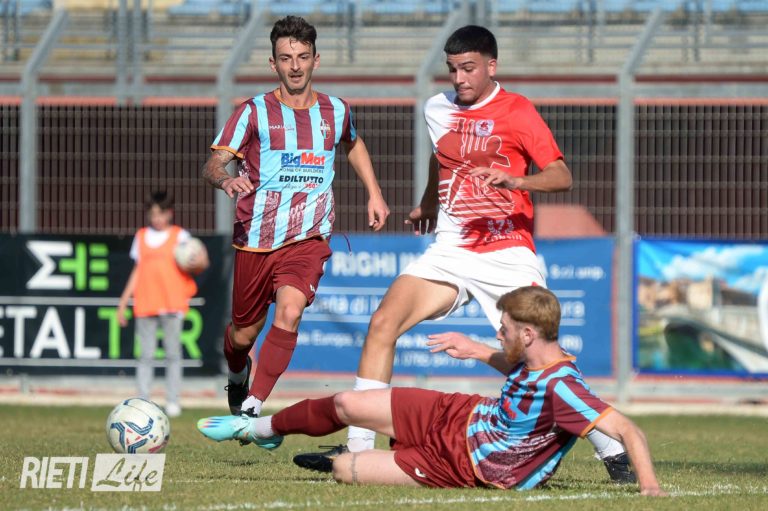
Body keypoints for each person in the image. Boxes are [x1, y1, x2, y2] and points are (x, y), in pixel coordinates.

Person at [292, 25, 633, 482]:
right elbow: (442, 155)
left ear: (492, 66)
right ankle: (357, 444)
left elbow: (561, 175)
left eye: (468, 68)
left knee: (538, 358)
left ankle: (612, 449)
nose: (459, 78)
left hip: (508, 251)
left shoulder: (517, 110)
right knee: (383, 322)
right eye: (453, 69)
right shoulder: (437, 108)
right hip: (451, 249)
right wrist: (429, 203)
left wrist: (517, 181)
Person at [197, 287, 667, 495]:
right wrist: (477, 350)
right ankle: (257, 429)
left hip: (465, 464)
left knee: (344, 469)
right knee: (345, 403)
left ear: (528, 334)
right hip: (460, 414)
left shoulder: (564, 386)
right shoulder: (537, 356)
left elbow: (629, 430)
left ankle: (355, 457)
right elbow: (517, 370)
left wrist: (649, 487)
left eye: (504, 329)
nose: (498, 332)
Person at [201, 16, 390, 422]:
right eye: (286, 58)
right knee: (243, 335)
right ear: (273, 64)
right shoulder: (253, 111)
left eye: (303, 57)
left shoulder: (336, 110)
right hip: (256, 239)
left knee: (290, 311)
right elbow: (213, 163)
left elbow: (353, 142)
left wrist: (374, 192)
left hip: (309, 237)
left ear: (316, 60)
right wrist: (226, 180)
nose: (295, 66)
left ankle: (252, 407)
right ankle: (237, 372)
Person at [117, 190, 209, 418]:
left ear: (170, 213)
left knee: (172, 354)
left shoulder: (180, 236)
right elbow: (137, 271)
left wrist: (200, 261)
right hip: (146, 302)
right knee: (145, 355)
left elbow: (200, 263)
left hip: (172, 303)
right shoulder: (141, 237)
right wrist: (123, 302)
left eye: (161, 213)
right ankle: (142, 400)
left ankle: (173, 401)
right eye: (153, 214)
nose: (157, 218)